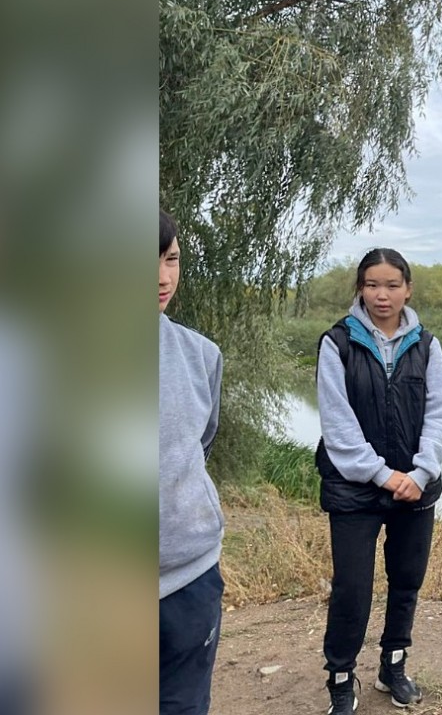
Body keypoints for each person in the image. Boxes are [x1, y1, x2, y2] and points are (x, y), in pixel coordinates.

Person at [316, 248, 442, 715]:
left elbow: (438, 416)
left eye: (392, 285)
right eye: (372, 284)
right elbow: (337, 426)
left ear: (408, 289)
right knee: (353, 587)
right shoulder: (338, 344)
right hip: (355, 490)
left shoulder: (428, 345)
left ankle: (393, 665)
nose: (382, 294)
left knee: (406, 581)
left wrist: (420, 472)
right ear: (360, 288)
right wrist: (382, 474)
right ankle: (339, 676)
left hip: (416, 490)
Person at [159, 208, 226, 715]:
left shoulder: (201, 355)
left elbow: (199, 444)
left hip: (189, 580)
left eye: (172, 259)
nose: (162, 277)